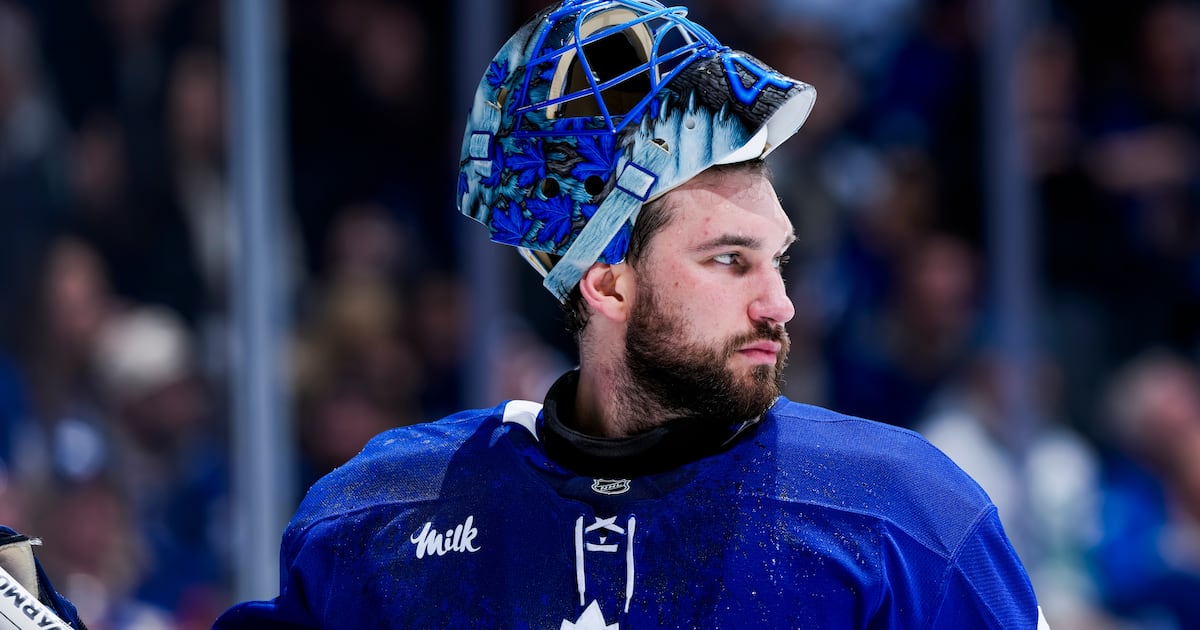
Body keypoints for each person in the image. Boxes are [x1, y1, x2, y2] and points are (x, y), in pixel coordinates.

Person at [215, 0, 1046, 627]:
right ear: (606, 284)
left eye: (777, 258)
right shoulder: (386, 517)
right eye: (729, 260)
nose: (779, 302)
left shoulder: (905, 519)